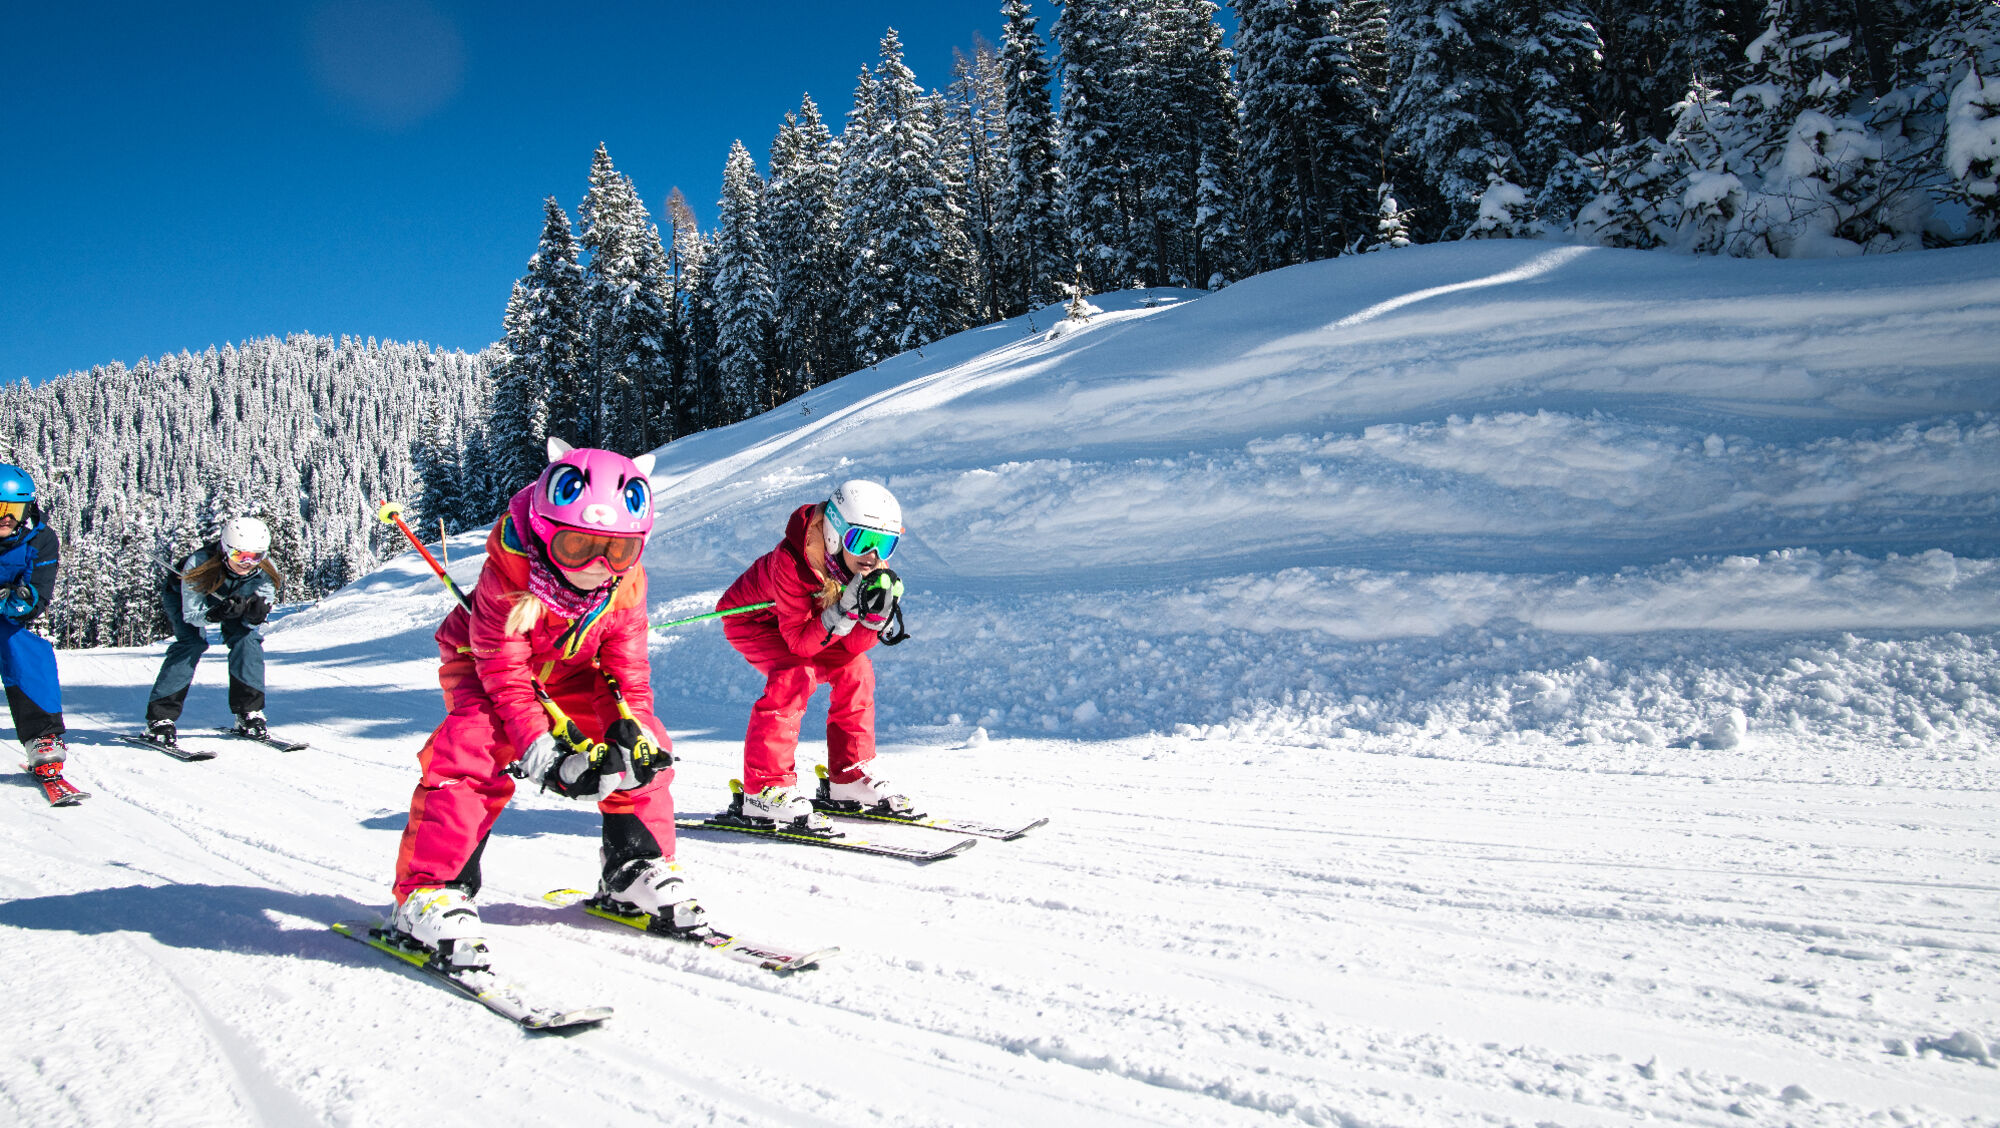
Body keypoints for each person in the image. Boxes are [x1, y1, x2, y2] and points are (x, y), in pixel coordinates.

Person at [385, 438, 692, 970]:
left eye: (618, 550)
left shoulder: (625, 584)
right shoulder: (509, 574)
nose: (600, 564)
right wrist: (542, 753)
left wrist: (634, 727)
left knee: (647, 749)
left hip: (573, 675)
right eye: (579, 547)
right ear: (547, 532)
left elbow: (628, 671)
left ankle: (633, 866)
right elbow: (505, 675)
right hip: (488, 669)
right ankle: (430, 890)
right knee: (472, 747)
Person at [717, 478, 911, 831]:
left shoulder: (869, 568)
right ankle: (765, 788)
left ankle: (849, 775)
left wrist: (873, 620)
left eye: (885, 544)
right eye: (862, 540)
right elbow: (800, 645)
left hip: (809, 628)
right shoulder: (791, 562)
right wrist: (846, 613)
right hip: (757, 623)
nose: (873, 556)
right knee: (796, 674)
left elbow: (852, 649)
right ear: (835, 534)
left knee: (857, 670)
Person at [143, 516, 280, 745]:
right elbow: (192, 616)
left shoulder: (266, 573)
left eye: (256, 556)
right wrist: (215, 614)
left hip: (231, 600)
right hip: (185, 598)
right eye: (239, 555)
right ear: (226, 549)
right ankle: (160, 718)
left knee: (247, 640)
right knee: (191, 644)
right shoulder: (198, 564)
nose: (247, 563)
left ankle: (249, 713)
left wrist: (254, 617)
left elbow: (252, 622)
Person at [0, 463, 69, 769]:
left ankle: (43, 735)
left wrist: (18, 602)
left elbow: (37, 598)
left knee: (25, 648)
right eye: (0, 508)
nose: (6, 517)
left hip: (5, 618)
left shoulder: (40, 541)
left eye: (14, 509)